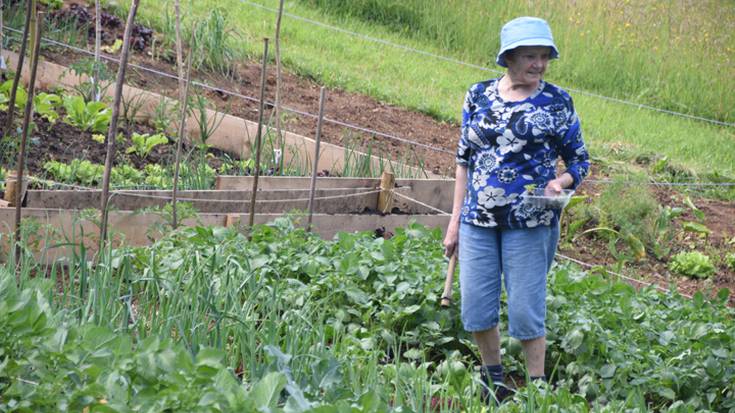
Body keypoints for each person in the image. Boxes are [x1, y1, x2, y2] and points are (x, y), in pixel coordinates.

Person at [442, 16, 590, 402]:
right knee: (476, 306)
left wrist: (561, 182)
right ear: (508, 57)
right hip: (477, 220)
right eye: (530, 56)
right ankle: (495, 380)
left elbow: (580, 161)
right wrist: (454, 222)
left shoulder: (556, 102)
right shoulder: (477, 95)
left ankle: (537, 388)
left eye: (544, 57)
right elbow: (463, 161)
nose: (538, 64)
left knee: (525, 311)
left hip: (530, 221)